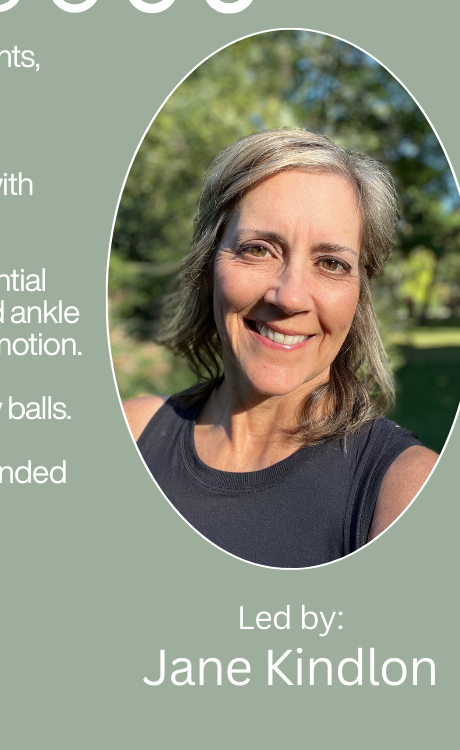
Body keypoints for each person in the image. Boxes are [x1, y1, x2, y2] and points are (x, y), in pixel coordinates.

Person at [123, 129, 437, 568]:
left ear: (359, 293)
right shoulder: (133, 432)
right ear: (209, 264)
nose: (289, 297)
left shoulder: (404, 492)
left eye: (331, 263)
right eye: (258, 250)